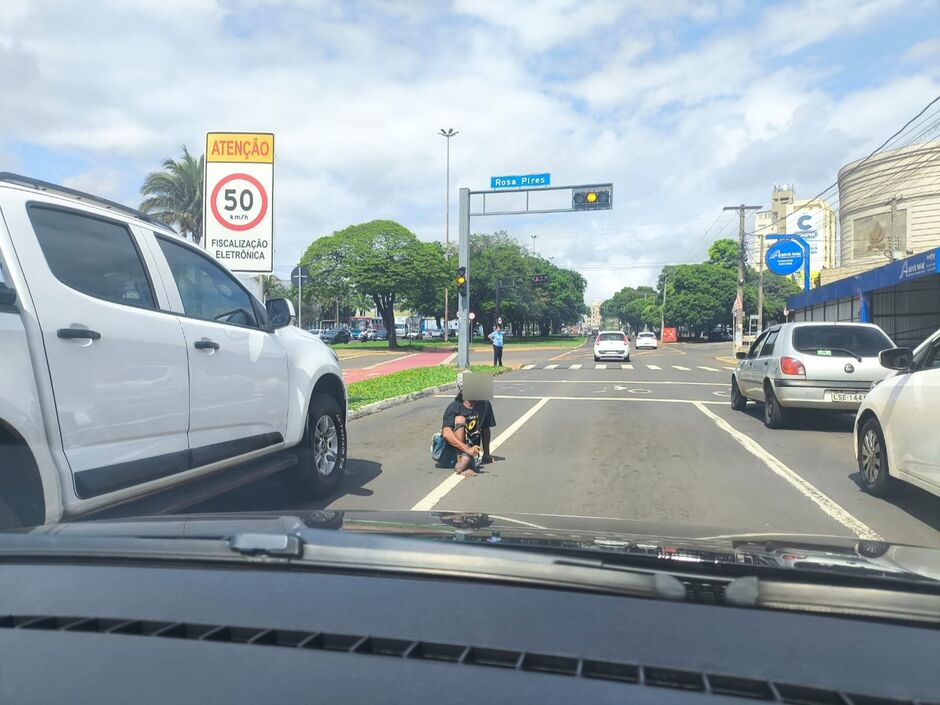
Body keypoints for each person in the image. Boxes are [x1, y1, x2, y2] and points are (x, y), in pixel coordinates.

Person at [437, 371, 497, 476]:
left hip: (472, 451)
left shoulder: (485, 405)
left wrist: (486, 454)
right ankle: (460, 461)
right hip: (450, 453)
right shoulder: (454, 407)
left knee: (469, 457)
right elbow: (446, 433)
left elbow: (486, 428)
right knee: (460, 419)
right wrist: (466, 449)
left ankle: (466, 461)